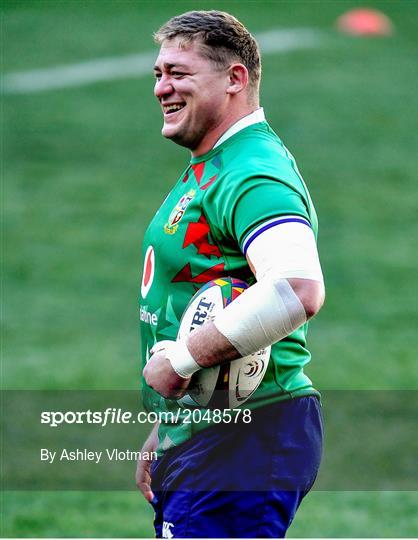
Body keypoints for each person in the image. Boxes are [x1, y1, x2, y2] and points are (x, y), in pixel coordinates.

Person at [135, 10, 325, 538]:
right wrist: (170, 425)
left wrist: (182, 359)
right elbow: (206, 298)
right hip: (210, 430)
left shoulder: (253, 171)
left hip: (248, 435)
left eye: (178, 72)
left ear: (235, 79)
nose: (162, 87)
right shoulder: (215, 163)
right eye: (157, 74)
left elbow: (297, 290)